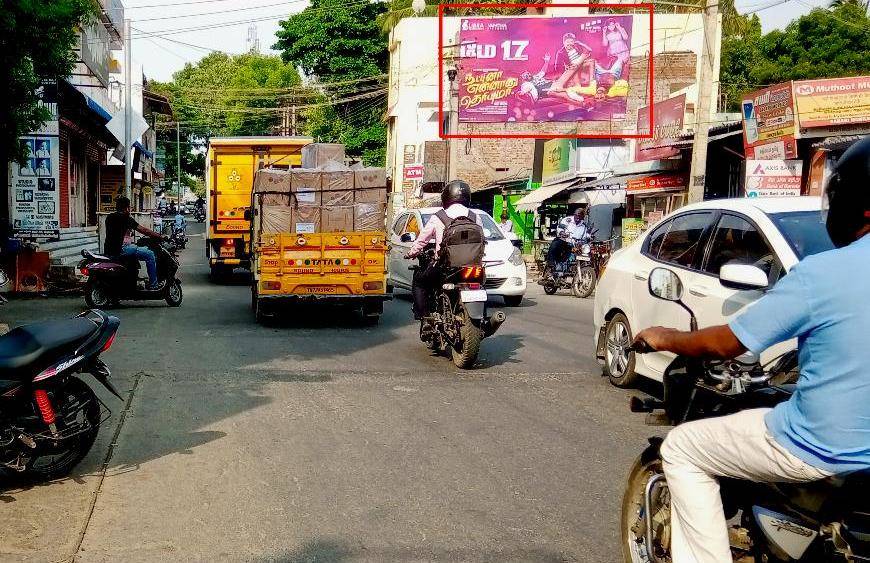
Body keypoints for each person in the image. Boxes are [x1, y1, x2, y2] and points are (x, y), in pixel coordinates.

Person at [632, 136, 870, 563]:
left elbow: (728, 343)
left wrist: (667, 337)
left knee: (683, 447)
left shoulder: (823, 273)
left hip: (822, 449)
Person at [405, 180, 482, 320]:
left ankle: (424, 316)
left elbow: (422, 240)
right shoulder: (475, 216)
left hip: (445, 267)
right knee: (481, 286)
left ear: (446, 197)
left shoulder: (438, 217)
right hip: (473, 267)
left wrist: (411, 253)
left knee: (419, 281)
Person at [104, 196, 167, 290]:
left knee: (136, 252)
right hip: (122, 249)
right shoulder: (126, 218)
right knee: (150, 254)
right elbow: (144, 230)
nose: (130, 209)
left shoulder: (109, 217)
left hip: (110, 250)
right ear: (126, 208)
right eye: (129, 207)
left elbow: (117, 231)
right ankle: (154, 284)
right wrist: (159, 236)